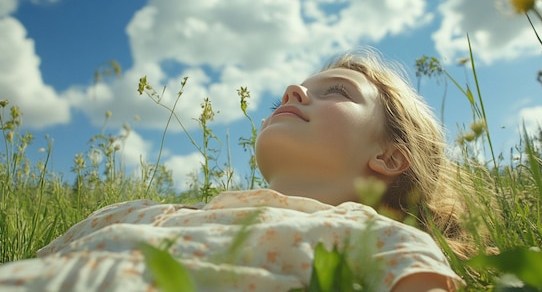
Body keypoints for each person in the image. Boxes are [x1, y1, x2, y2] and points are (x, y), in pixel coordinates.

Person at [0, 48, 471, 291]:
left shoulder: (375, 238)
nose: (293, 90)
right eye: (293, 90)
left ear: (389, 156)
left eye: (337, 92)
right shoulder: (127, 211)